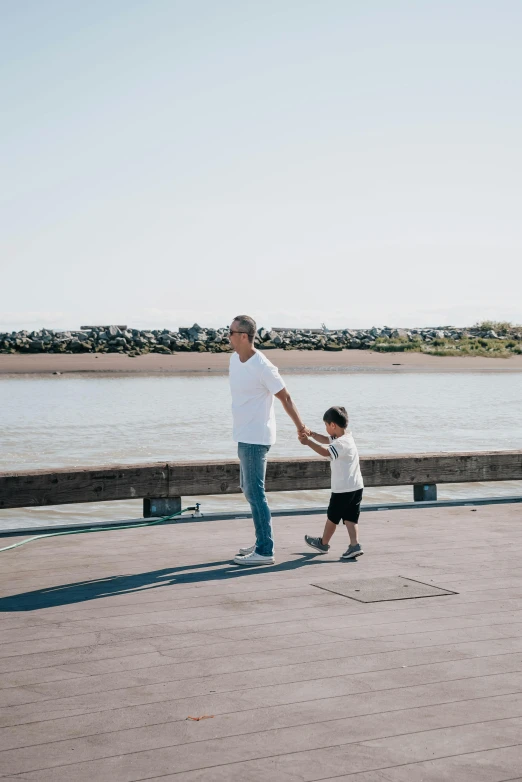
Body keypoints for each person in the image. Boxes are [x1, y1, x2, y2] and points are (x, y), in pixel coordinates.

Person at [229, 315, 307, 566]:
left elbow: (286, 398)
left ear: (244, 336)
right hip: (243, 435)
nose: (227, 336)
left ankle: (265, 550)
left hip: (256, 436)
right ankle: (261, 540)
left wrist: (301, 428)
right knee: (249, 491)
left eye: (231, 332)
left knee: (256, 493)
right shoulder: (234, 360)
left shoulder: (263, 367)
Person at [299, 405, 364, 559]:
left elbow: (325, 451)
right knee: (351, 518)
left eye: (326, 425)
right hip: (356, 486)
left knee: (332, 517)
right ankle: (355, 545)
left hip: (342, 489)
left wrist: (308, 442)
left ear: (332, 425)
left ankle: (323, 543)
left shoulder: (340, 444)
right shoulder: (346, 437)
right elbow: (326, 439)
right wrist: (312, 434)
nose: (326, 428)